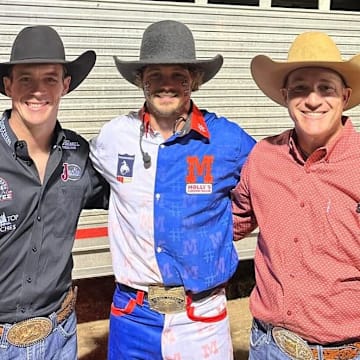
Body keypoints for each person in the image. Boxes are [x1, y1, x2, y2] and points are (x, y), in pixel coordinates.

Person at [90, 20, 255, 359]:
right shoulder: (113, 137)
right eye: (155, 76)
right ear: (141, 81)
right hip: (133, 316)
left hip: (201, 317)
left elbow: (272, 182)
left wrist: (227, 228)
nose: (166, 86)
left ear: (194, 80)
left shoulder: (227, 141)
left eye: (177, 76)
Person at [232, 31, 360, 360]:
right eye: (300, 88)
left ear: (344, 96)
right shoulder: (262, 157)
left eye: (325, 88)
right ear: (285, 95)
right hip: (271, 347)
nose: (312, 100)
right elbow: (233, 222)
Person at [0, 25, 109, 359]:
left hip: (61, 333)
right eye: (26, 79)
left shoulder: (79, 154)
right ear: (8, 86)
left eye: (49, 78)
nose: (37, 91)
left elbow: (133, 195)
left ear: (65, 85)